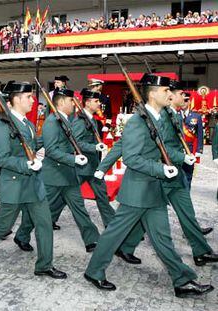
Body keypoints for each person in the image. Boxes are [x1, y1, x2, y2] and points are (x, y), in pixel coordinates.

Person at [84, 74, 213, 298]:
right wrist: (161, 169)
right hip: (137, 191)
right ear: (153, 94)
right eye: (166, 92)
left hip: (153, 190)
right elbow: (132, 157)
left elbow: (163, 148)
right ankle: (94, 271)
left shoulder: (159, 117)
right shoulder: (137, 122)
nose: (170, 95)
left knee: (163, 239)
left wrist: (183, 158)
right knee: (113, 235)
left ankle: (182, 281)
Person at [0, 81, 67, 279]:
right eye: (29, 97)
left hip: (33, 184)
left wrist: (51, 138)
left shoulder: (27, 124)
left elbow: (29, 145)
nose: (32, 100)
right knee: (3, 225)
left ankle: (44, 265)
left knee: (45, 223)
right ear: (16, 99)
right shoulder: (3, 125)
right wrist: (27, 165)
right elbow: (2, 158)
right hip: (13, 183)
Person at [14, 87, 102, 254]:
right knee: (39, 209)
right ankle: (22, 235)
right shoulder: (52, 122)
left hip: (68, 175)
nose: (74, 103)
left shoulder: (66, 120)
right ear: (61, 102)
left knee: (79, 208)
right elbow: (52, 150)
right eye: (71, 100)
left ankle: (91, 239)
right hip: (53, 176)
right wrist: (73, 158)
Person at [180, 94, 204, 189]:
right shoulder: (174, 114)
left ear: (189, 102)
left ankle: (186, 195)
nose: (184, 102)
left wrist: (199, 150)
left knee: (188, 175)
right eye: (182, 100)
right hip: (177, 149)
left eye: (186, 100)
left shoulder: (196, 116)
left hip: (190, 150)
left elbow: (200, 134)